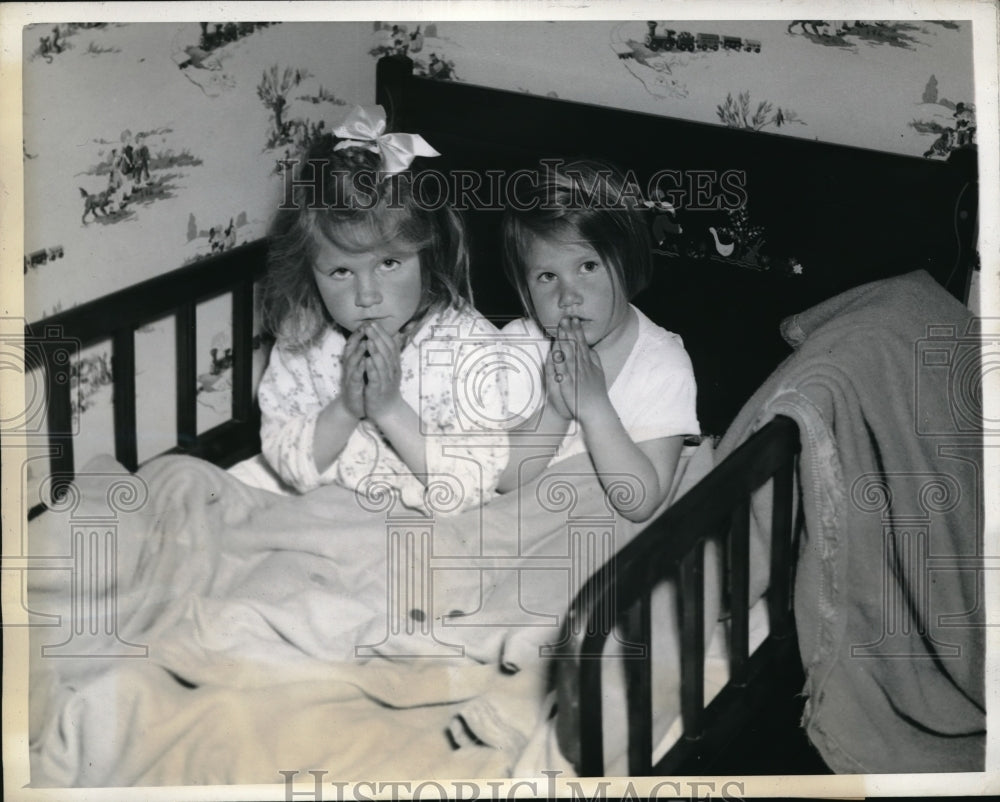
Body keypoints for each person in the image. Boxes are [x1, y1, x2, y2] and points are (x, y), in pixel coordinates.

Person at [257, 105, 510, 514]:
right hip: (328, 516)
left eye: (389, 264)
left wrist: (389, 409)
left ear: (428, 250)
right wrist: (346, 409)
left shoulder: (468, 344)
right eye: (341, 271)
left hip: (426, 528)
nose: (367, 295)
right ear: (309, 271)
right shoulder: (302, 337)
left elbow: (474, 484)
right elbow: (290, 465)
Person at [497, 160, 699, 522]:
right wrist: (556, 411)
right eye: (546, 276)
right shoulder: (517, 345)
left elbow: (639, 503)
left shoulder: (663, 364)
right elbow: (500, 478)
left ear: (627, 262)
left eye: (588, 267)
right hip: (519, 524)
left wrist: (593, 407)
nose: (568, 296)